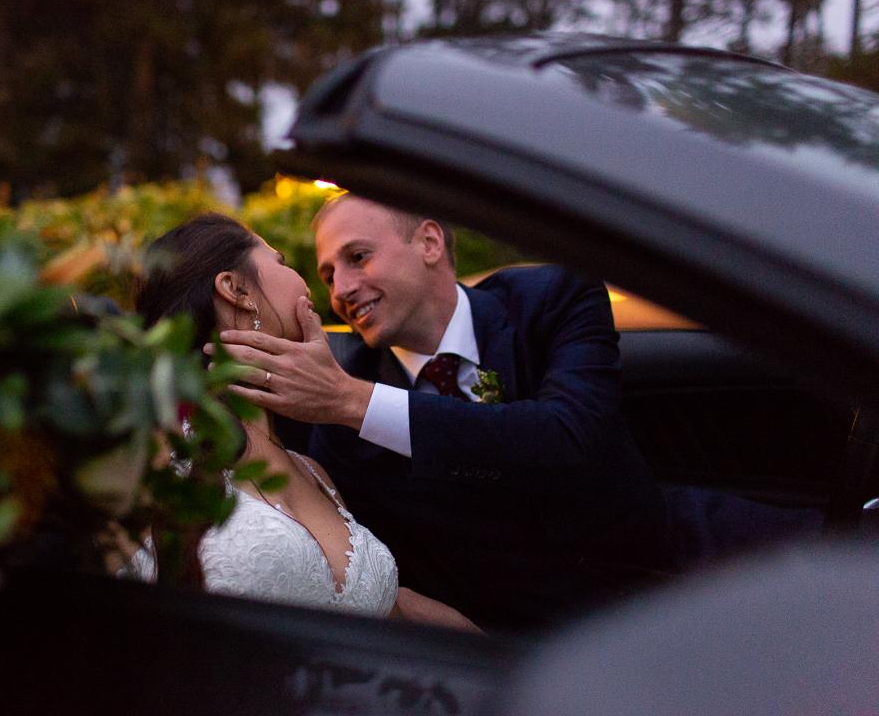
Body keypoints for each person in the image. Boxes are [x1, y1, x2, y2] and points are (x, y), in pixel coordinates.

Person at [216, 195, 669, 632]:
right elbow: (373, 567)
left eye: (358, 257)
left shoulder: (554, 298)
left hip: (664, 583)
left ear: (430, 242)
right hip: (518, 644)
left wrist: (354, 401)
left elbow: (571, 438)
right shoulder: (340, 424)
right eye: (329, 275)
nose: (342, 290)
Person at [128, 213, 476, 630]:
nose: (319, 289)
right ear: (235, 289)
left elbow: (377, 609)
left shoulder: (315, 470)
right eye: (279, 261)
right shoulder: (156, 450)